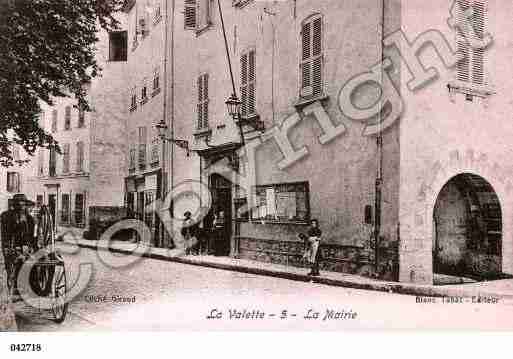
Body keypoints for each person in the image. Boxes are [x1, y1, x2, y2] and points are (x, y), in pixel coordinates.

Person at [1, 193, 36, 296]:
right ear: (14, 206)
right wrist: (8, 247)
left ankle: (30, 286)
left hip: (25, 248)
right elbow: (5, 233)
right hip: (11, 246)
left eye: (23, 205)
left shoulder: (30, 219)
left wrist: (31, 246)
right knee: (11, 269)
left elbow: (32, 236)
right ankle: (11, 288)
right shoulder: (6, 217)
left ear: (25, 205)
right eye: (18, 205)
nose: (21, 207)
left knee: (33, 264)